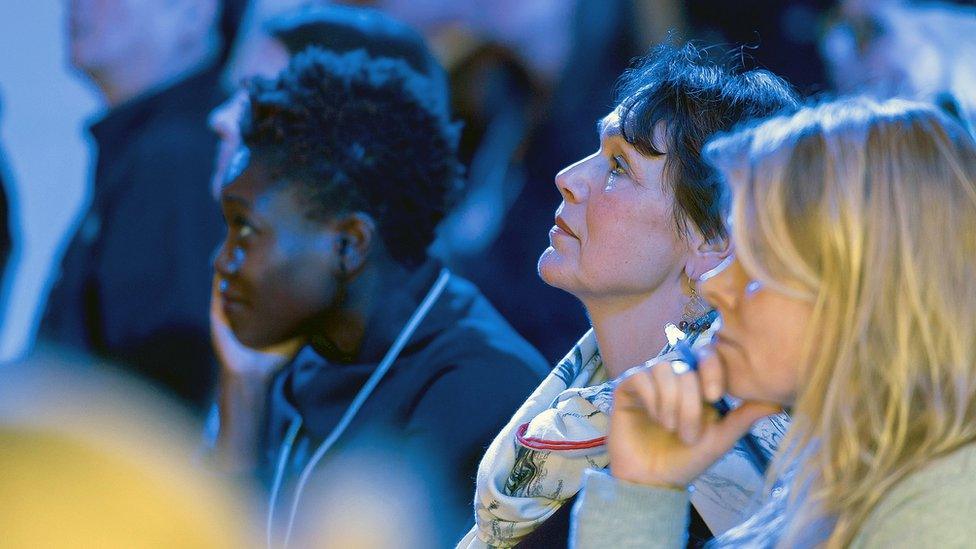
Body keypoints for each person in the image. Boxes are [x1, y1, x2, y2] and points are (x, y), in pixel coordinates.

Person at [571, 97, 976, 547]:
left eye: (759, 260)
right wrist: (640, 493)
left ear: (869, 290)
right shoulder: (838, 481)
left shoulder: (940, 515)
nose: (714, 285)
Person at [460, 43, 799, 548]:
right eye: (599, 152)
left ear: (712, 242)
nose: (569, 179)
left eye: (619, 167)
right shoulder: (575, 415)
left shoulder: (714, 489)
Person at [211, 47, 549, 546]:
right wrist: (241, 391)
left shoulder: (482, 390)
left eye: (245, 230)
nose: (223, 262)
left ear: (348, 245)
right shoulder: (295, 354)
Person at [41, 0, 226, 410]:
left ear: (194, 13)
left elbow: (160, 392)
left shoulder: (178, 158)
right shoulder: (153, 151)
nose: (78, 5)